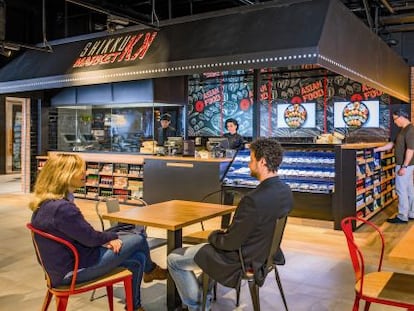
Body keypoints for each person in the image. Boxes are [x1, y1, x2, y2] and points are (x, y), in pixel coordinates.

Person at [167, 138, 293, 311]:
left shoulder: (252, 200)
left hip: (240, 259)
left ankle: (197, 306)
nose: (249, 164)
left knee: (174, 259)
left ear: (262, 162)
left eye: (251, 160)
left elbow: (230, 243)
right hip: (263, 255)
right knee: (206, 251)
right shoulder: (285, 191)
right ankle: (204, 298)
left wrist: (214, 236)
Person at [29, 154, 167, 311]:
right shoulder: (63, 209)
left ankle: (135, 306)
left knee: (138, 258)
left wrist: (103, 239)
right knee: (137, 238)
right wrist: (109, 238)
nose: (85, 173)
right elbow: (90, 238)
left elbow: (85, 236)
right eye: (80, 170)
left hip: (59, 268)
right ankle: (150, 270)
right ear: (64, 175)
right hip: (73, 272)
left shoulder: (45, 205)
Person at [374, 109, 414, 224]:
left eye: (395, 119)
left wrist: (404, 167)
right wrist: (378, 149)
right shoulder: (403, 130)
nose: (395, 122)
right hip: (407, 166)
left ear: (402, 117)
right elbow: (392, 144)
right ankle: (411, 213)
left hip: (404, 165)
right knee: (409, 189)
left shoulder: (410, 130)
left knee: (401, 190)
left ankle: (402, 216)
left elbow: (411, 150)